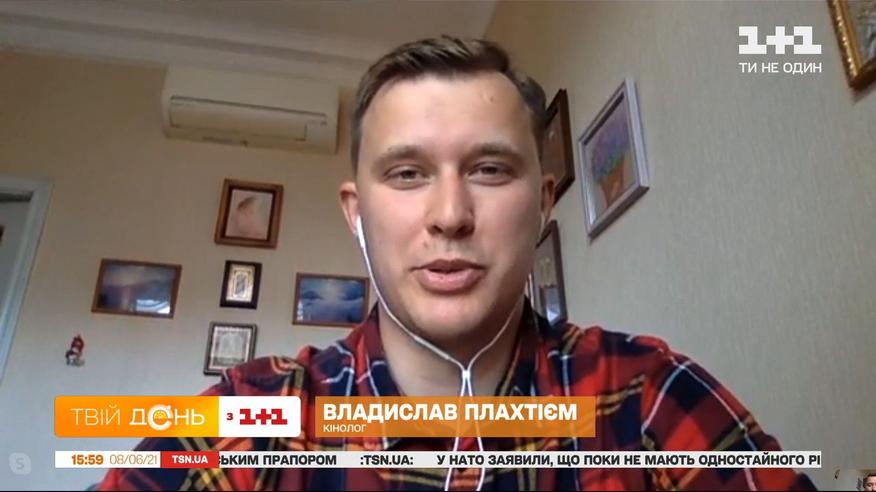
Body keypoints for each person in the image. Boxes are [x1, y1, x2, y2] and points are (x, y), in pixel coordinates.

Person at [99, 36, 815, 491]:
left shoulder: (645, 397)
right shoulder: (253, 419)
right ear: (356, 212)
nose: (449, 214)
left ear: (543, 202)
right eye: (407, 174)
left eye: (489, 169)